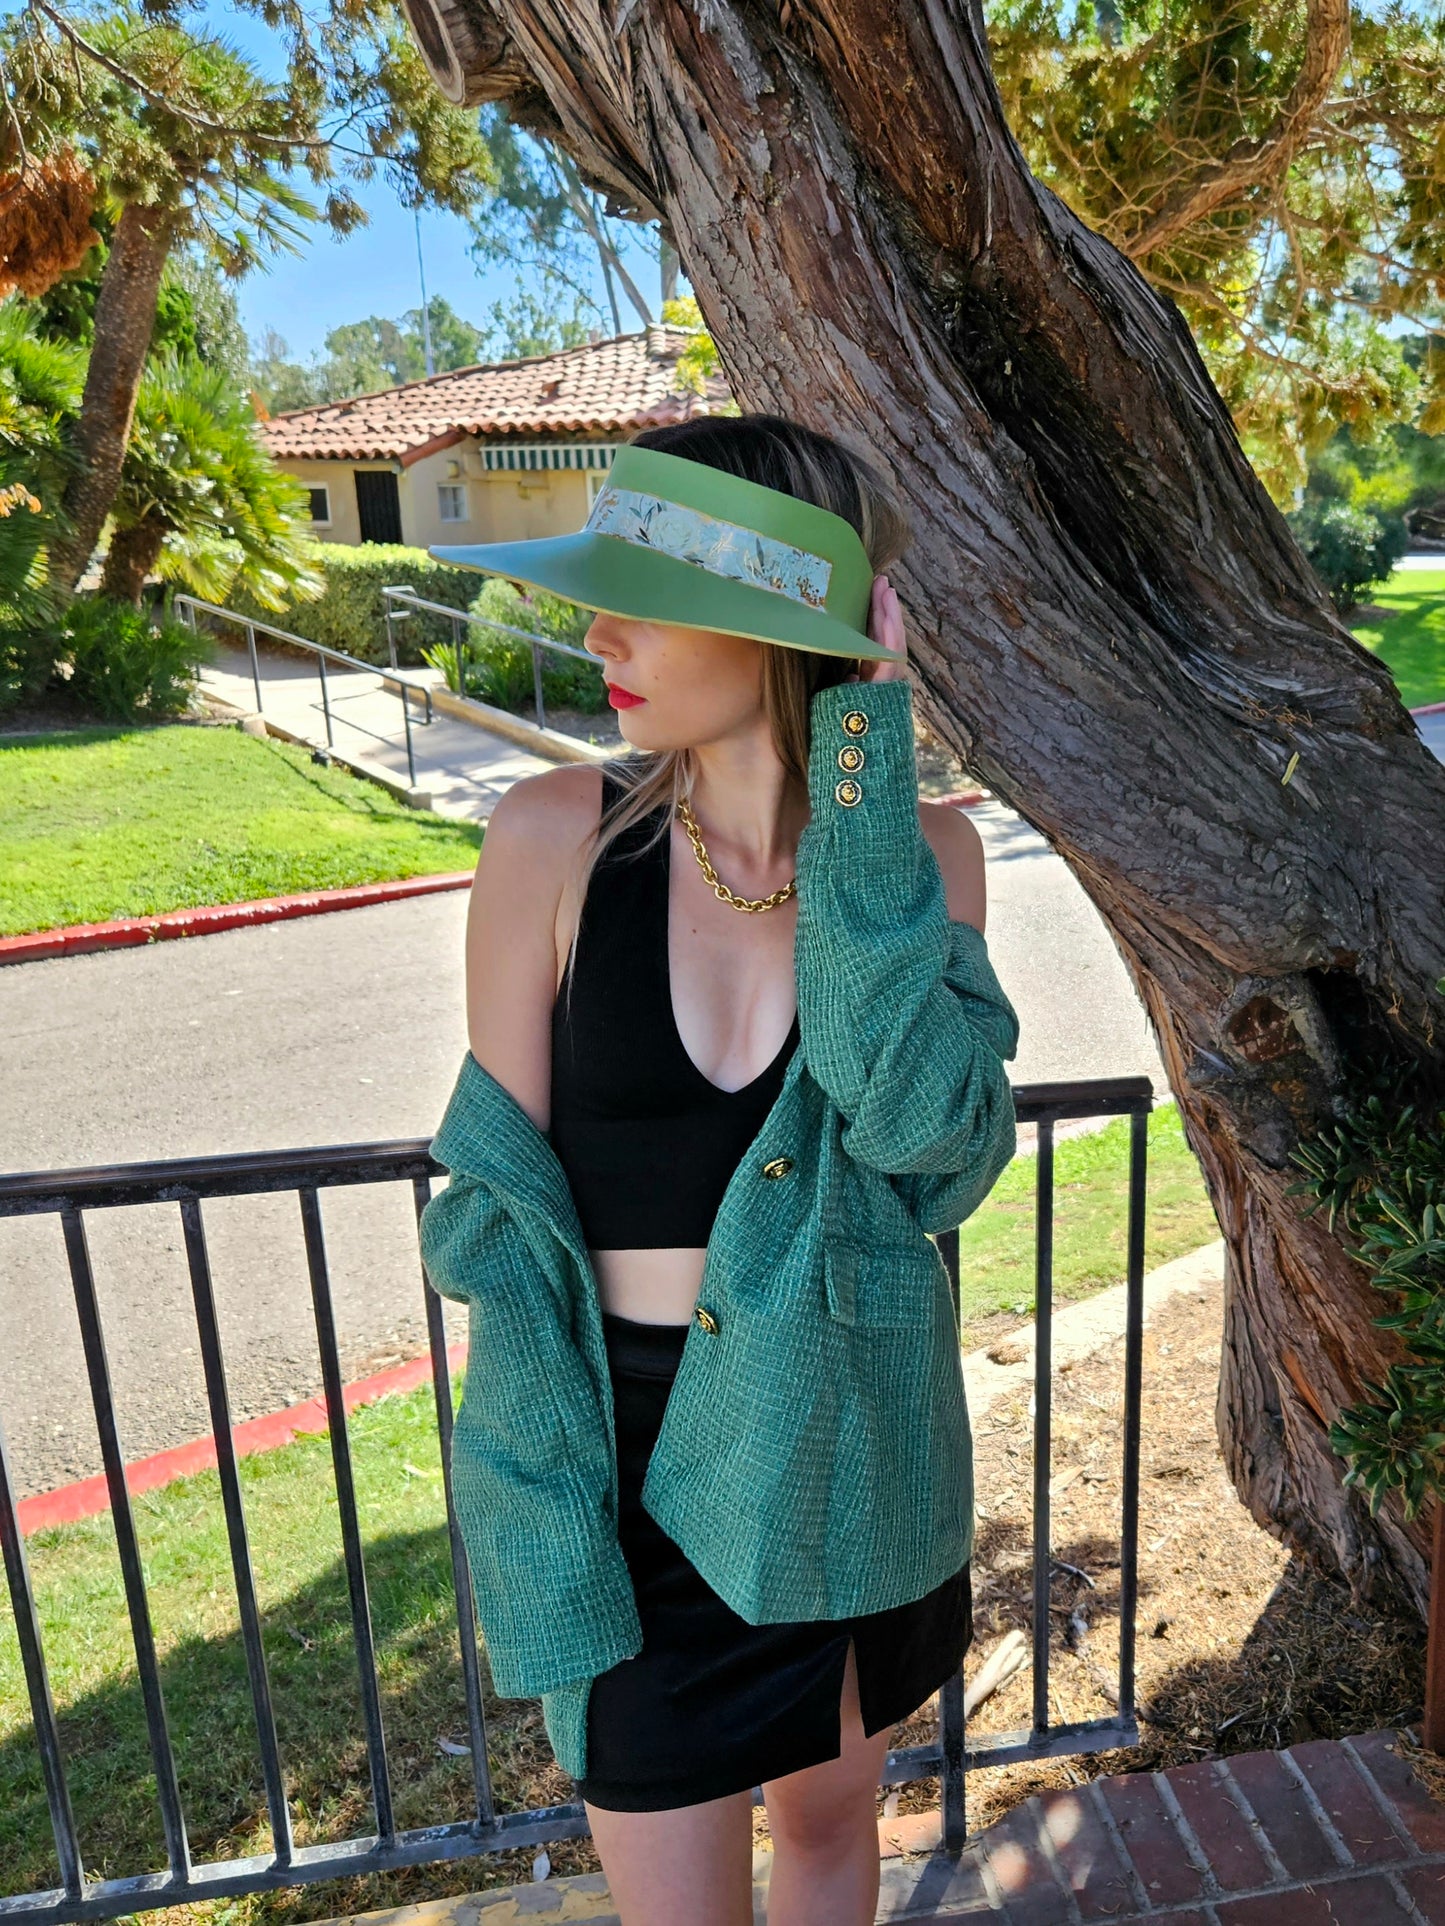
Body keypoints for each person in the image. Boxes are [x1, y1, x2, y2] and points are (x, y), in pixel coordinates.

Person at [417, 414, 1020, 1926]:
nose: (595, 630)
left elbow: (921, 1146)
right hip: (619, 1446)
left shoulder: (925, 854)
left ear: (774, 621)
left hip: (844, 1425)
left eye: (640, 594)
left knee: (827, 1829)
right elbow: (501, 1211)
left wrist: (869, 783)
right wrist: (536, 1497)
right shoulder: (554, 842)